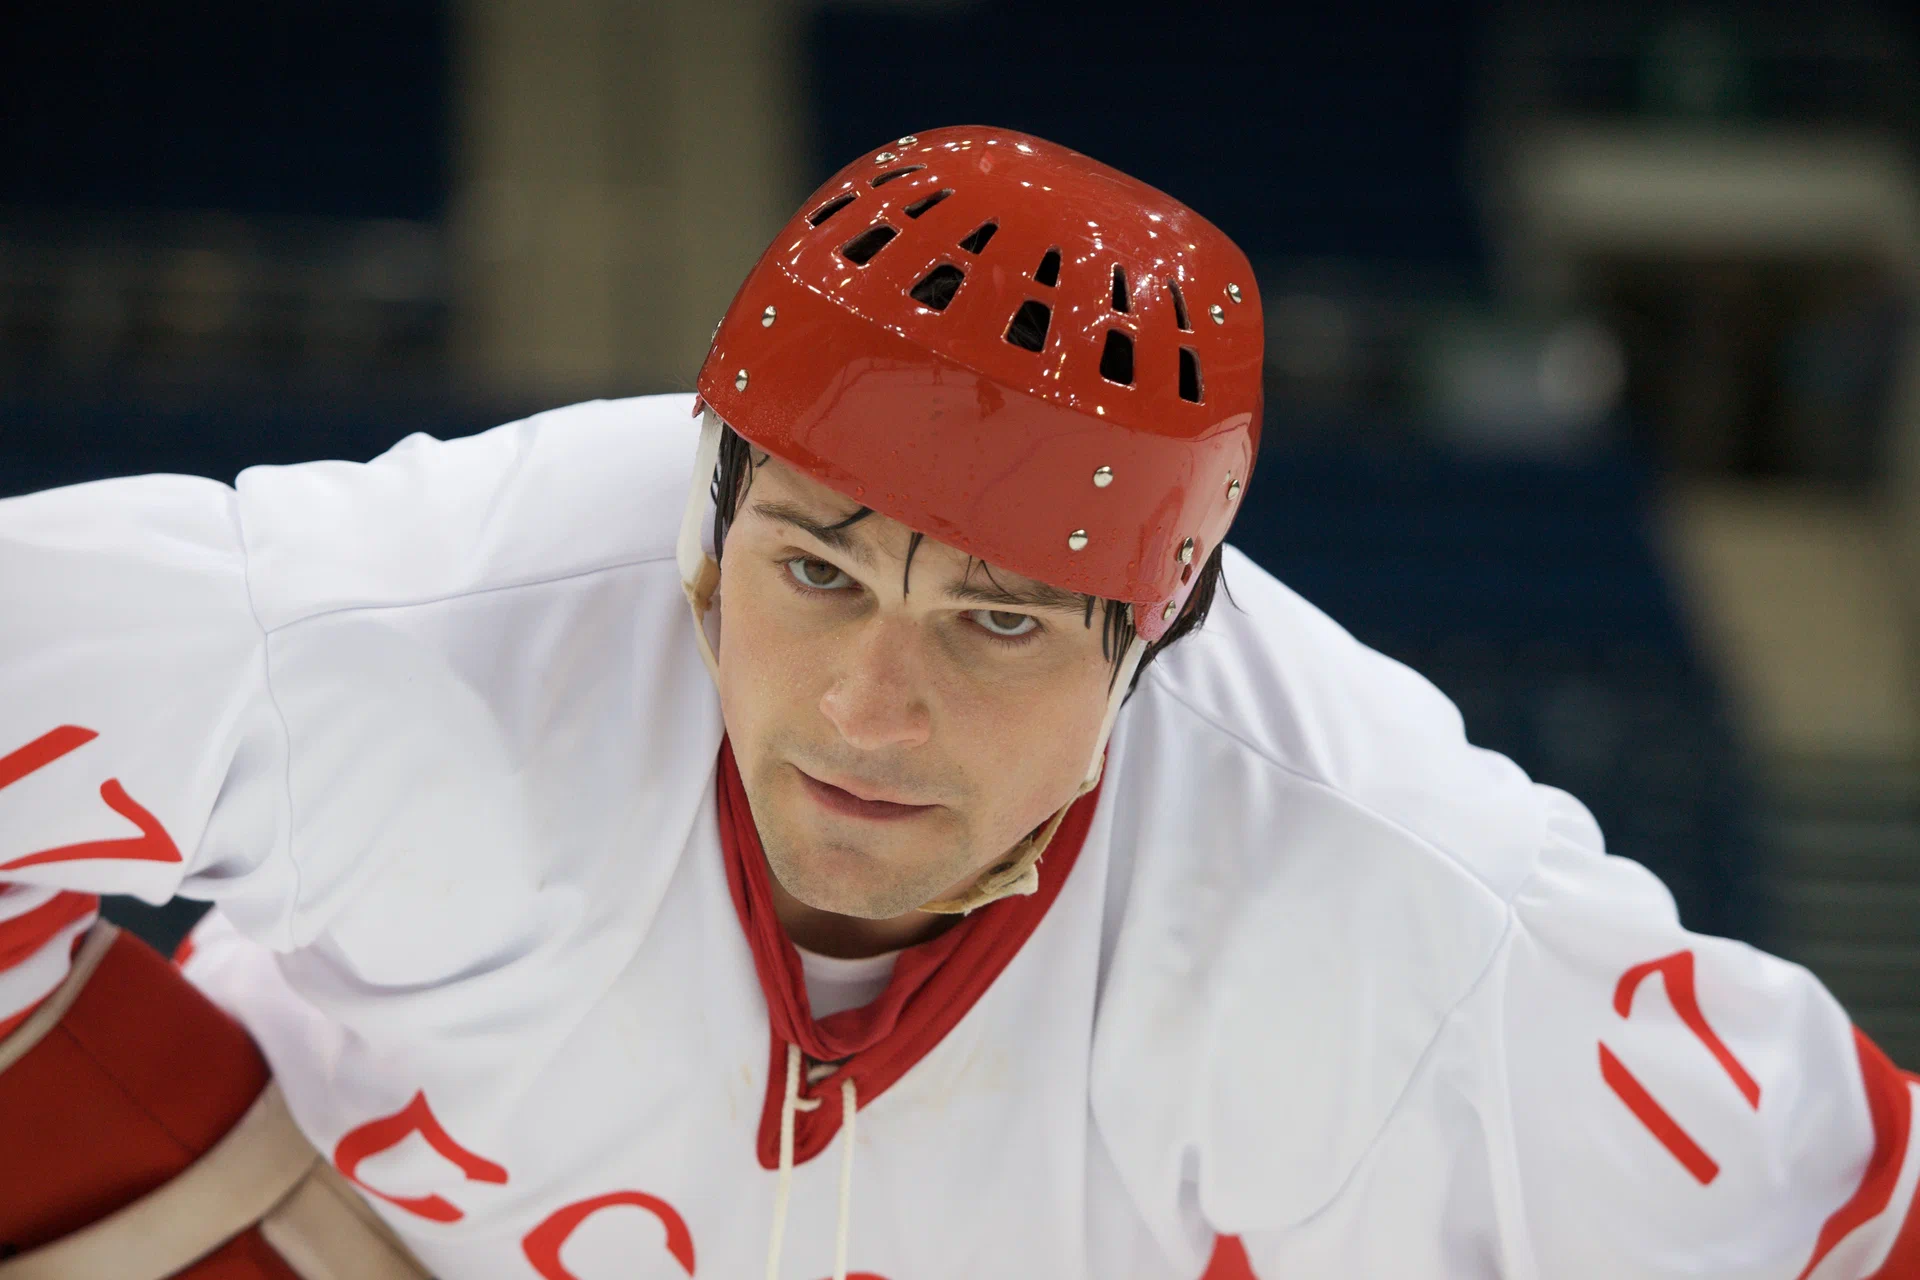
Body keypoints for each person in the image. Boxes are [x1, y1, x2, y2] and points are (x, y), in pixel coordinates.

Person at [0, 125, 1914, 1280]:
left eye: (997, 624)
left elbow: (1853, 1218)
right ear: (704, 521)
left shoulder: (1403, 907)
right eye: (817, 572)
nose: (869, 707)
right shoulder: (432, 625)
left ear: (1154, 638)